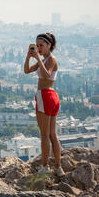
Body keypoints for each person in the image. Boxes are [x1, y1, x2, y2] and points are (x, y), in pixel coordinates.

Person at [23, 33, 65, 177]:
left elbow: (47, 74)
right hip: (52, 96)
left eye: (41, 45)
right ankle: (58, 168)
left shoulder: (51, 60)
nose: (39, 48)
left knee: (44, 135)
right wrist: (29, 56)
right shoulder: (45, 59)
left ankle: (46, 166)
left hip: (45, 95)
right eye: (37, 45)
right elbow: (26, 70)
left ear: (49, 46)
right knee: (53, 134)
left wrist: (38, 60)